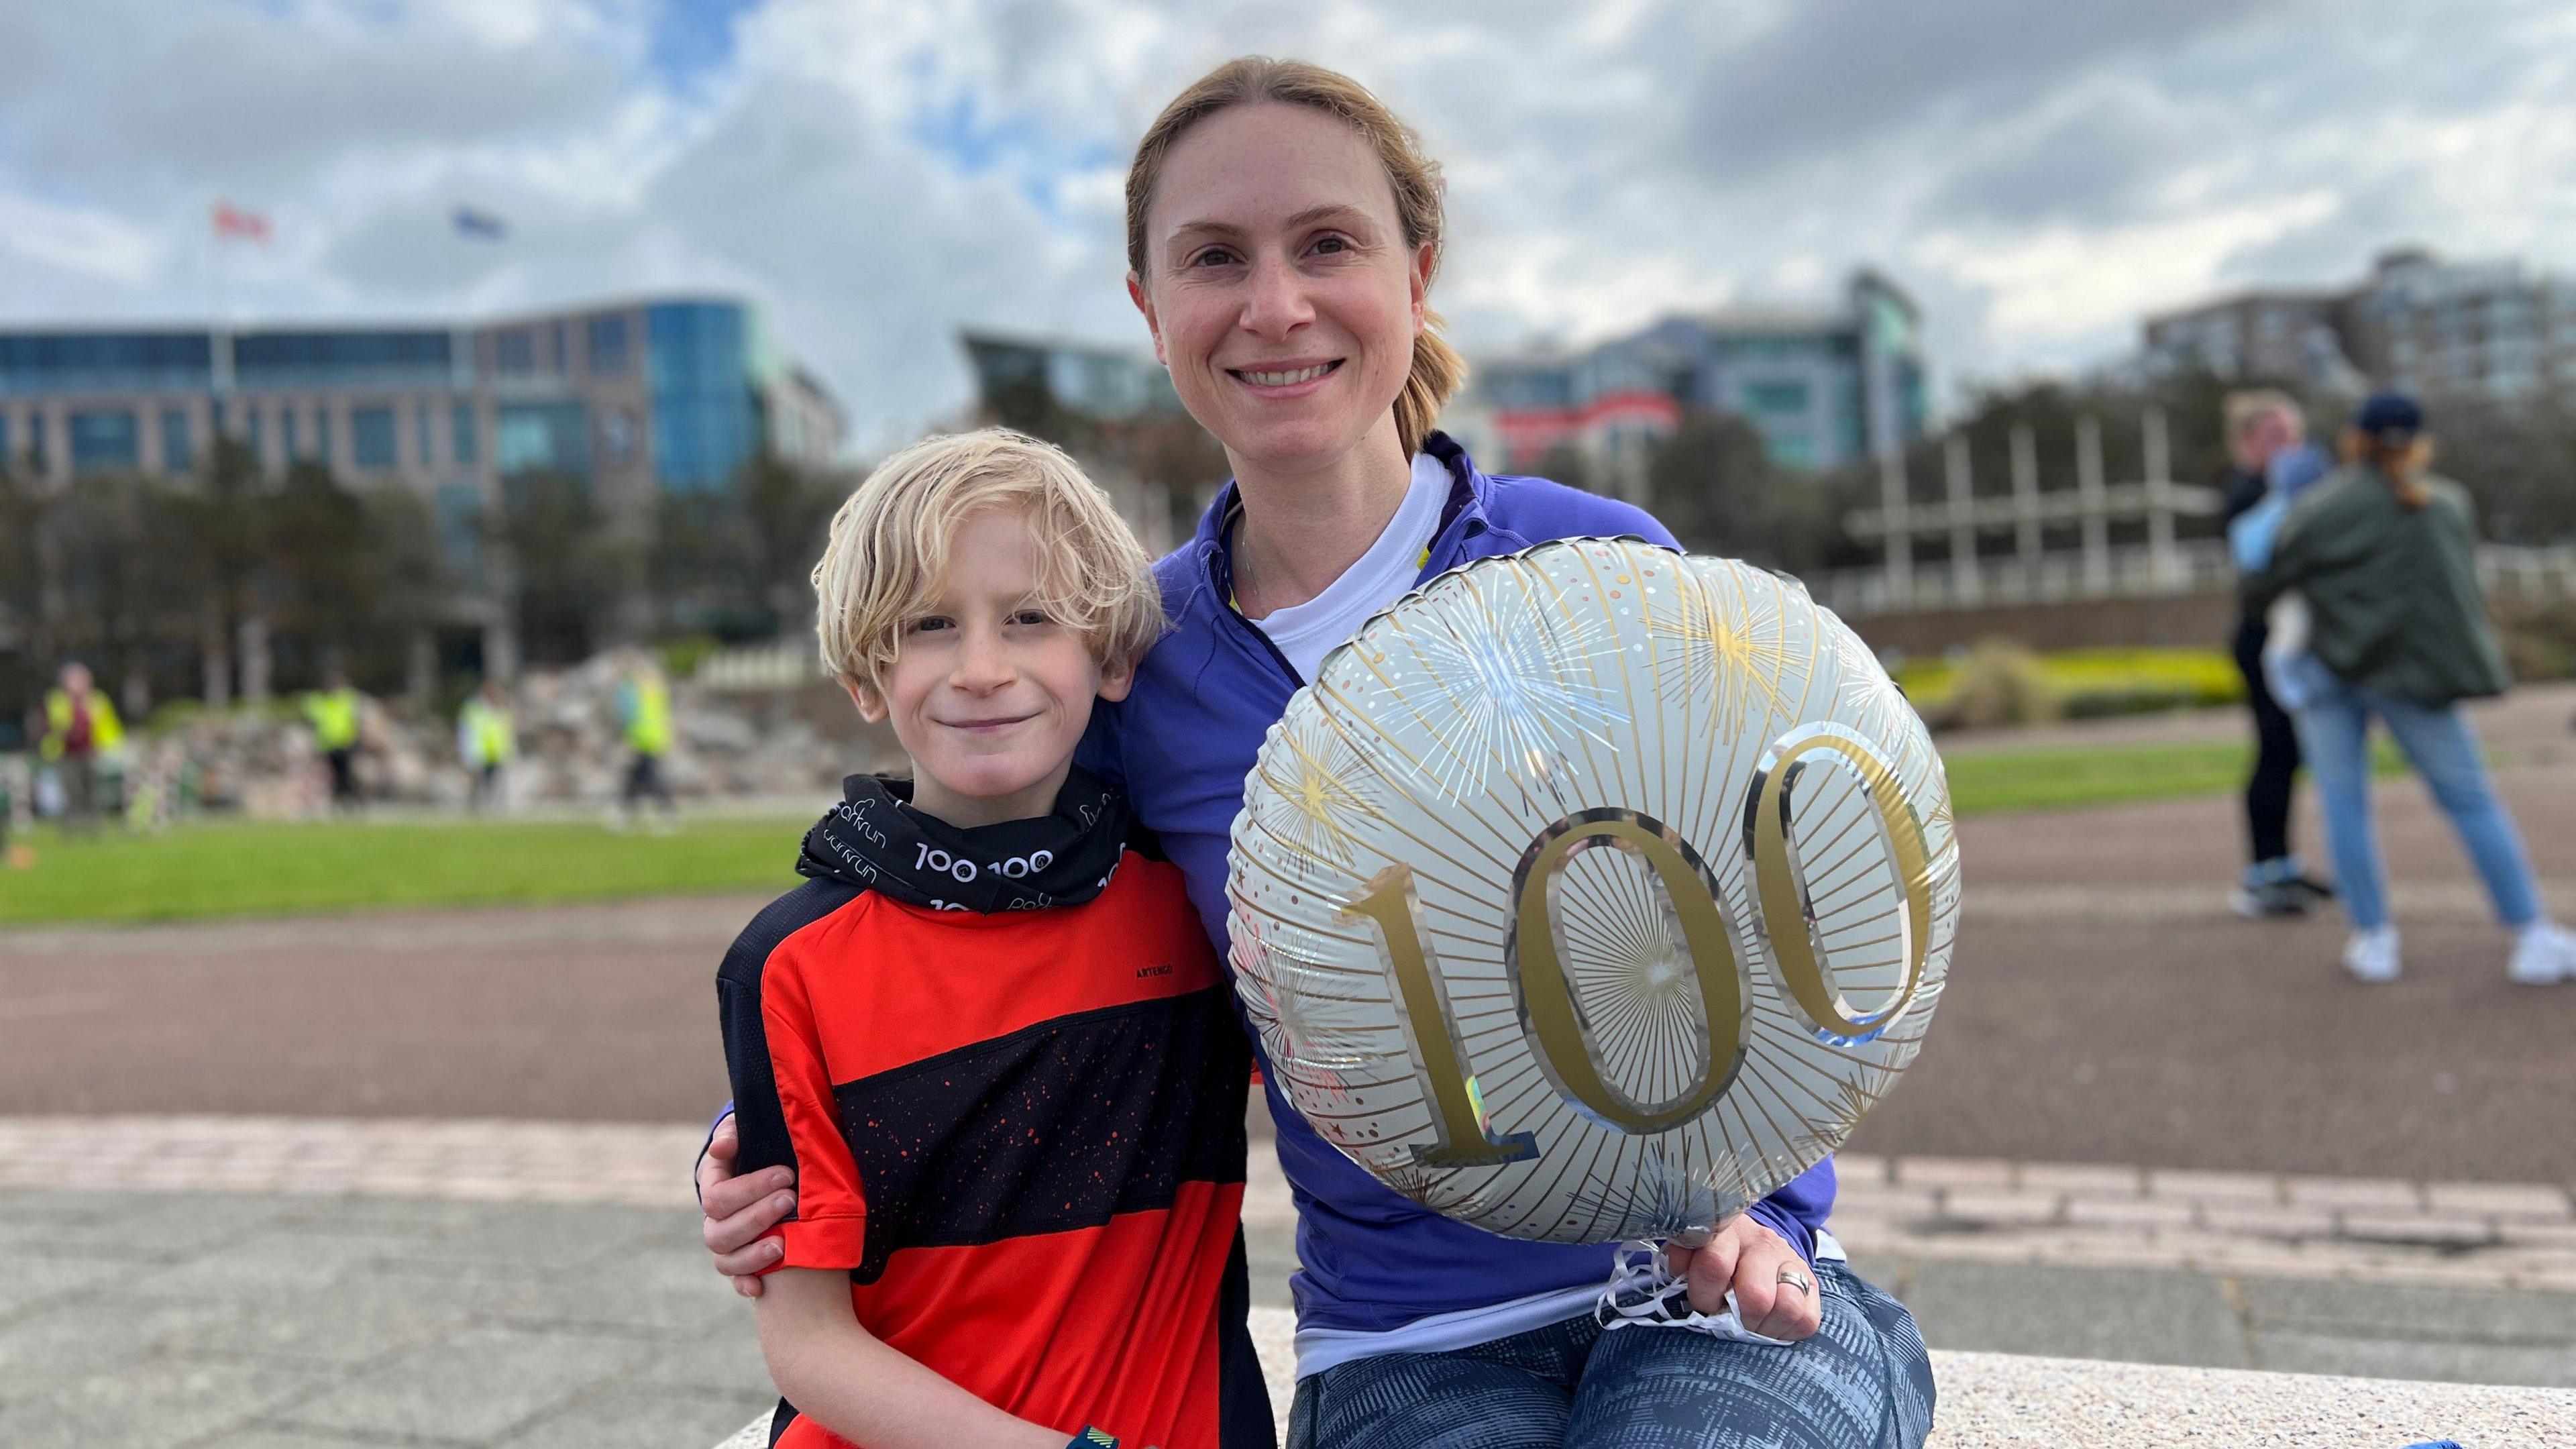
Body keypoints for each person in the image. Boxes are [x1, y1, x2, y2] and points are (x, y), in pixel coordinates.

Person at [701, 56, 1932, 1449]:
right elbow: (993, 939)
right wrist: (764, 1140)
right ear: (1150, 311)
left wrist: (1754, 1203)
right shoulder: (1129, 661)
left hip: (1711, 1280)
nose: (1274, 305)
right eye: (1215, 258)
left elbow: (1793, 918)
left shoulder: (1596, 560)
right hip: (1411, 1340)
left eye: (1326, 246)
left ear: (1415, 276)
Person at [719, 429, 1267, 1449]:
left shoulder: (1193, 900)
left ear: (1108, 657)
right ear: (865, 676)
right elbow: (807, 1346)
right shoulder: (787, 964)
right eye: (929, 624)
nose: (980, 668)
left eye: (1029, 620)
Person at [2243, 392, 2576, 987]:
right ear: (2419, 443)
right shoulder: (2445, 504)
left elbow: (2260, 586)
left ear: (2354, 439)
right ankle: (2530, 933)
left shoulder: (2318, 508)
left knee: (2345, 805)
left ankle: (2373, 938)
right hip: (2412, 679)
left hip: (2329, 675)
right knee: (2471, 800)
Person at [2218, 392, 2334, 918]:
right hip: (2264, 639)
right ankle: (2263, 876)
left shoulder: (2295, 488)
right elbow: (2257, 557)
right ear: (2247, 442)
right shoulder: (2246, 493)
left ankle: (2281, 865)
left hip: (2292, 636)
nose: (2289, 444)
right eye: (2275, 436)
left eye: (2293, 433)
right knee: (2273, 750)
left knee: (2287, 755)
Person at [41, 661, 123, 836]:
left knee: (93, 791)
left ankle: (94, 826)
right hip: (66, 753)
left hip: (91, 752)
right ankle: (72, 828)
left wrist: (109, 747)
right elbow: (58, 726)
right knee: (72, 791)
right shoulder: (58, 700)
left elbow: (109, 727)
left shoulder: (97, 700)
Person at [612, 653, 676, 832]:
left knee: (649, 777)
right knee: (635, 778)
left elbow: (629, 717)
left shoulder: (635, 688)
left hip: (641, 739)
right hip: (653, 738)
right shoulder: (656, 688)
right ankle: (627, 813)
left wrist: (629, 740)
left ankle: (664, 813)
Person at [304, 667, 365, 814]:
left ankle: (350, 802)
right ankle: (336, 803)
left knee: (346, 776)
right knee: (331, 777)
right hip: (327, 745)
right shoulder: (318, 701)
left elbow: (356, 721)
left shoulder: (348, 699)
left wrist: (357, 740)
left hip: (345, 744)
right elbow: (313, 722)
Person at [458, 680, 516, 813]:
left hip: (495, 753)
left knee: (493, 784)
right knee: (476, 784)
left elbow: (506, 733)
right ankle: (474, 810)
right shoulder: (473, 709)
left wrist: (508, 751)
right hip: (477, 752)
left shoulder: (501, 711)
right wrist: (465, 752)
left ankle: (492, 809)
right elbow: (464, 732)